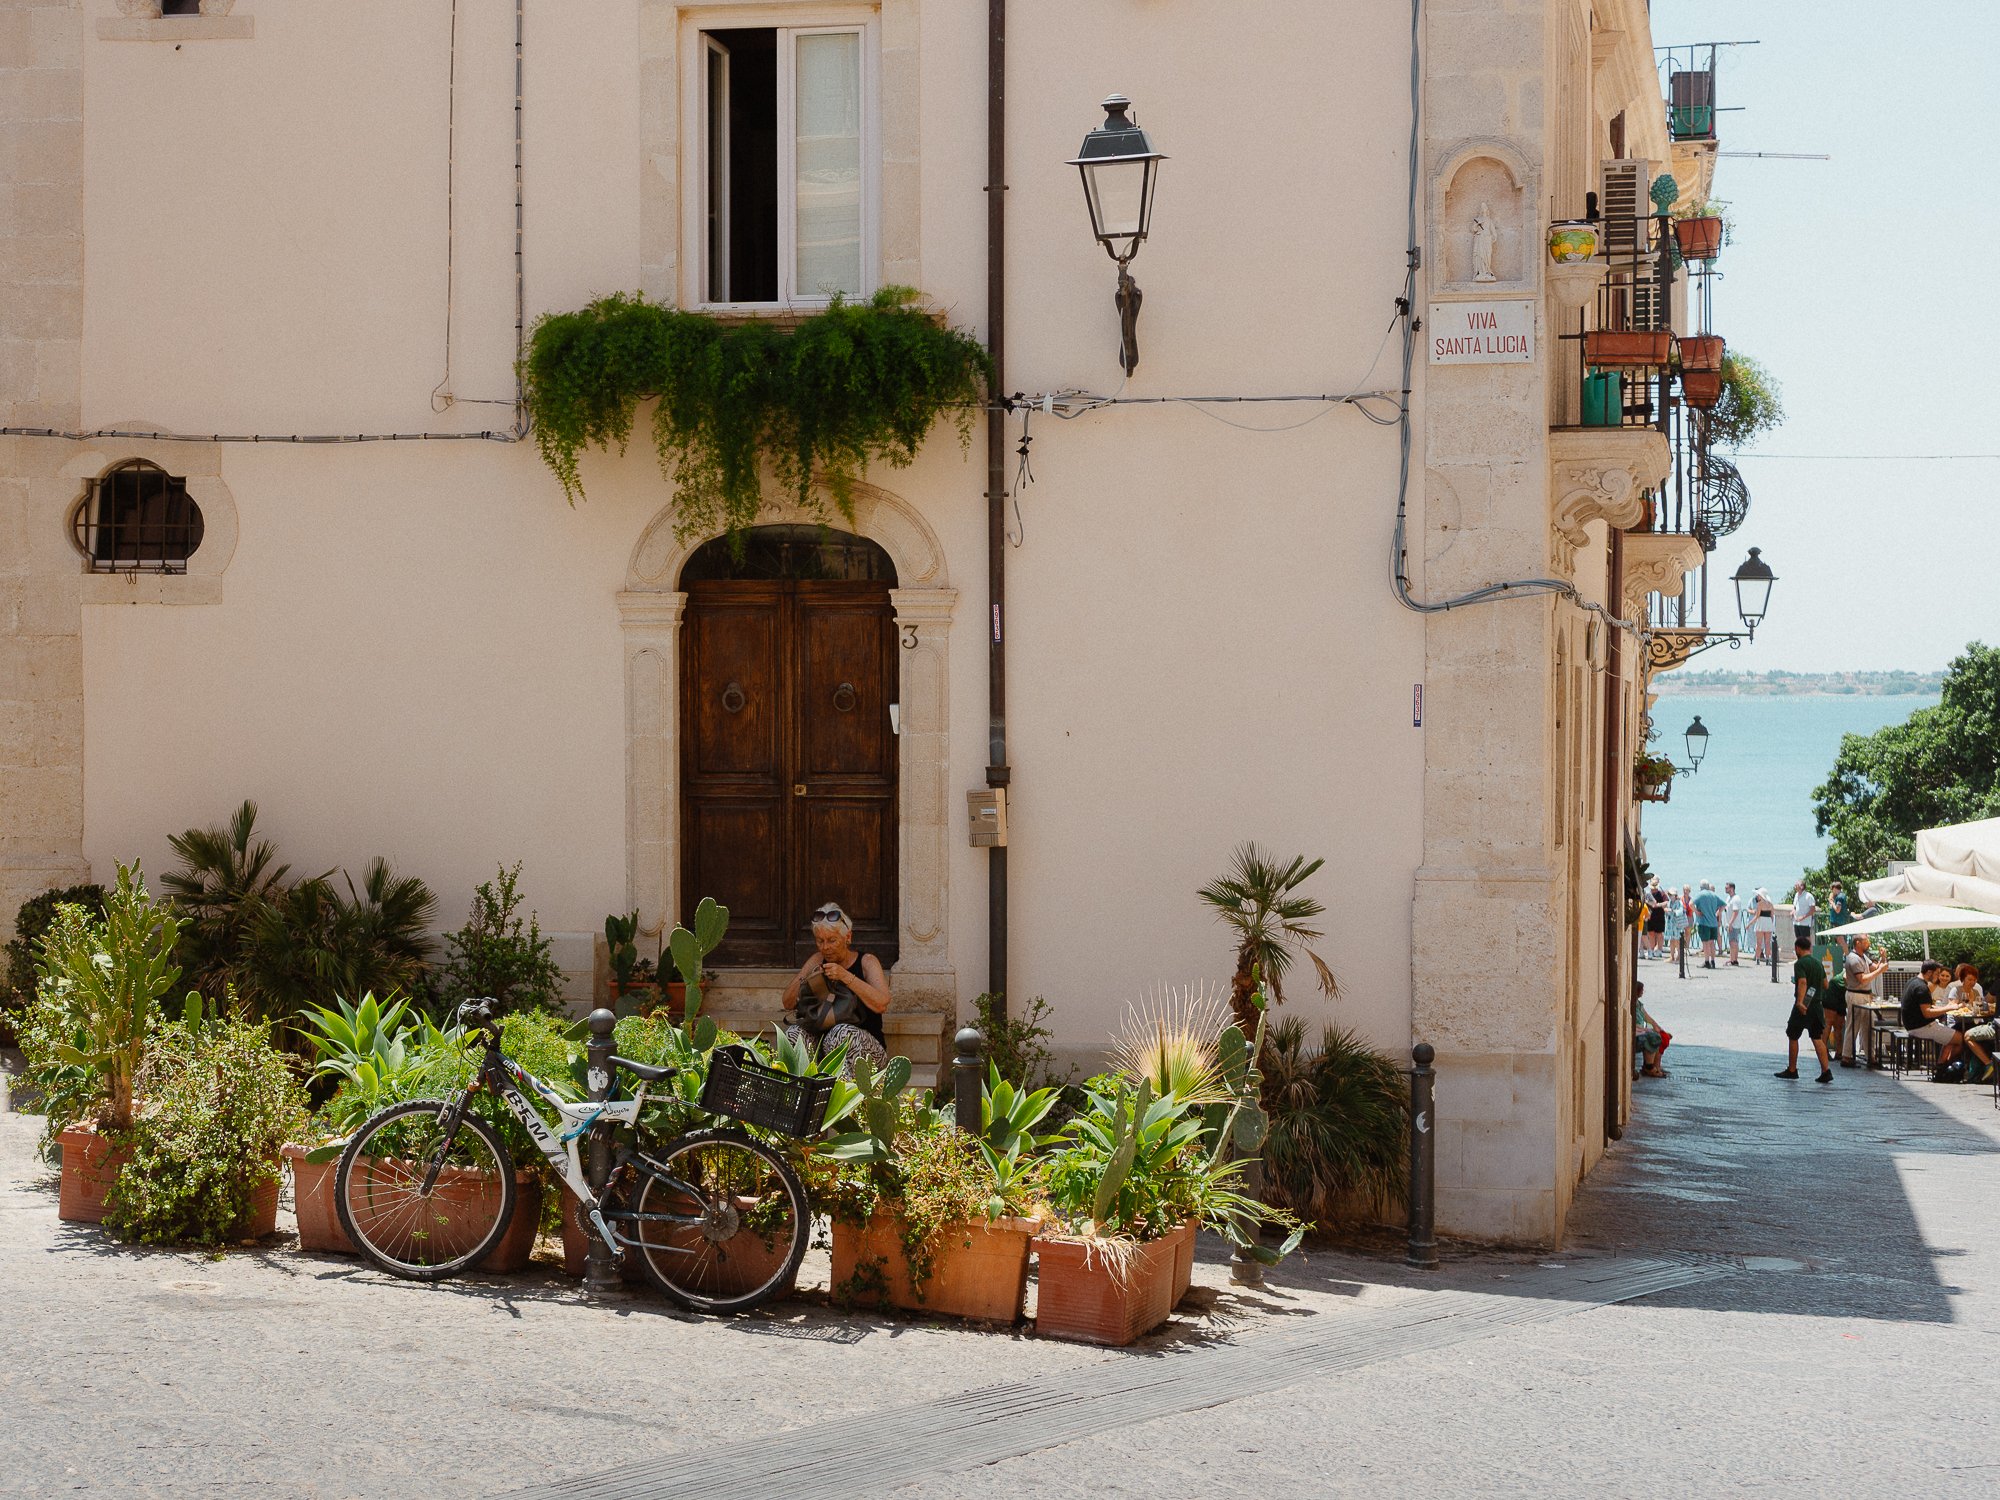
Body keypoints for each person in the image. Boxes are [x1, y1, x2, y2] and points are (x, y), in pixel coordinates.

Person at [780, 902, 890, 1072]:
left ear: (848, 938)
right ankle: (799, 1094)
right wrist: (806, 977)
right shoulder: (817, 959)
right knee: (795, 1033)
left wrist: (845, 976)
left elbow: (882, 1003)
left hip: (866, 1053)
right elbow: (787, 1003)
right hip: (822, 1048)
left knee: (840, 1033)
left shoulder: (867, 962)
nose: (825, 947)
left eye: (832, 940)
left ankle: (846, 1095)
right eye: (820, 941)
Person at [1777, 935, 1833, 1083]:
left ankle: (1792, 1069)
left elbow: (1802, 982)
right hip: (1817, 1005)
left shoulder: (1800, 963)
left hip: (1804, 1006)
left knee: (1793, 1035)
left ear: (1797, 948)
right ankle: (1826, 1070)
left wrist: (1801, 1002)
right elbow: (1826, 985)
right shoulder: (1818, 963)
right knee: (1817, 1037)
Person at [1836, 934, 1889, 1068]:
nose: (1868, 943)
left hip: (1865, 995)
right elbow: (1863, 979)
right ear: (1858, 943)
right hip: (1856, 994)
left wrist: (1883, 958)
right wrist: (1879, 971)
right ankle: (1847, 1056)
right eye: (1866, 941)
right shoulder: (1853, 959)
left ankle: (1870, 1056)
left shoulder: (1863, 957)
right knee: (1853, 1025)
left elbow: (1875, 968)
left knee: (1868, 1025)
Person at [1900, 959, 1962, 1070]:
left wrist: (1942, 1008)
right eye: (1937, 973)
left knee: (1951, 1035)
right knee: (1962, 1038)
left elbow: (1920, 1007)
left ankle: (1940, 1064)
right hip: (1922, 1027)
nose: (1938, 977)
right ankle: (1945, 1068)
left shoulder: (1912, 982)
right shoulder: (1922, 988)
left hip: (1911, 1025)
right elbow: (1927, 1013)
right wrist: (1949, 1007)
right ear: (1929, 972)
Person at [1945, 964, 1994, 1081]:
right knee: (1966, 1036)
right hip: (1957, 1022)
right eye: (1969, 979)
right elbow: (1953, 1007)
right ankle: (1980, 1065)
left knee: (1984, 1039)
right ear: (1963, 979)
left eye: (1974, 979)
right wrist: (1962, 1006)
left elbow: (1980, 1007)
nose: (1972, 982)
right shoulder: (1955, 990)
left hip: (1972, 1021)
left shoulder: (1976, 991)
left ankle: (1978, 1069)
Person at [1633, 982, 1670, 1077]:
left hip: (1641, 1030)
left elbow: (1648, 1018)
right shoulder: (1632, 1005)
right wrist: (1645, 1030)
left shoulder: (1639, 1005)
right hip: (1637, 1032)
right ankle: (1649, 1067)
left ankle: (1656, 1065)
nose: (1643, 992)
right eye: (1642, 990)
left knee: (1664, 1036)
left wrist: (1658, 1028)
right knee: (1654, 1038)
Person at [1692, 881, 1726, 969]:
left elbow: (1691, 904)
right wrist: (1718, 913)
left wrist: (1696, 912)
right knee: (1711, 943)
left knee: (1705, 943)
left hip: (1704, 922)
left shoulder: (1700, 895)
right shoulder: (1713, 895)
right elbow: (1723, 904)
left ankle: (1706, 961)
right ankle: (1713, 961)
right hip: (1713, 923)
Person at [1644, 878, 1669, 959]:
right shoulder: (1648, 894)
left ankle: (1659, 950)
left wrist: (1658, 905)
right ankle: (1651, 949)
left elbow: (1666, 902)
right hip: (1650, 915)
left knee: (1659, 934)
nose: (1653, 890)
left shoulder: (1662, 894)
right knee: (1650, 933)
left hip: (1659, 915)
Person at [1791, 881, 1817, 953]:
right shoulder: (1796, 895)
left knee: (1806, 940)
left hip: (1805, 923)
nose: (1795, 885)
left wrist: (1803, 917)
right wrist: (1793, 911)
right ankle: (1800, 957)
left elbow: (1812, 910)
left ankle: (1809, 956)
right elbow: (1795, 907)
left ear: (1802, 886)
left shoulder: (1808, 896)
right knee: (1798, 940)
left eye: (1797, 884)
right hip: (1796, 922)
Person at [1723, 882, 1745, 966]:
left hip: (1734, 924)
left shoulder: (1736, 899)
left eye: (1727, 888)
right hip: (1730, 924)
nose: (1725, 889)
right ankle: (1732, 959)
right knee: (1732, 942)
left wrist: (1730, 923)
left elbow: (1735, 912)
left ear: (1731, 888)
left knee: (1733, 942)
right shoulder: (1729, 898)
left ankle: (1734, 960)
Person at [1752, 888, 1777, 963]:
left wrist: (1750, 924)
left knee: (1759, 942)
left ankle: (1758, 958)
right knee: (1767, 942)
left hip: (1761, 923)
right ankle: (1767, 958)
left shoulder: (1760, 904)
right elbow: (1772, 915)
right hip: (1768, 923)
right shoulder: (1770, 904)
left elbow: (1757, 916)